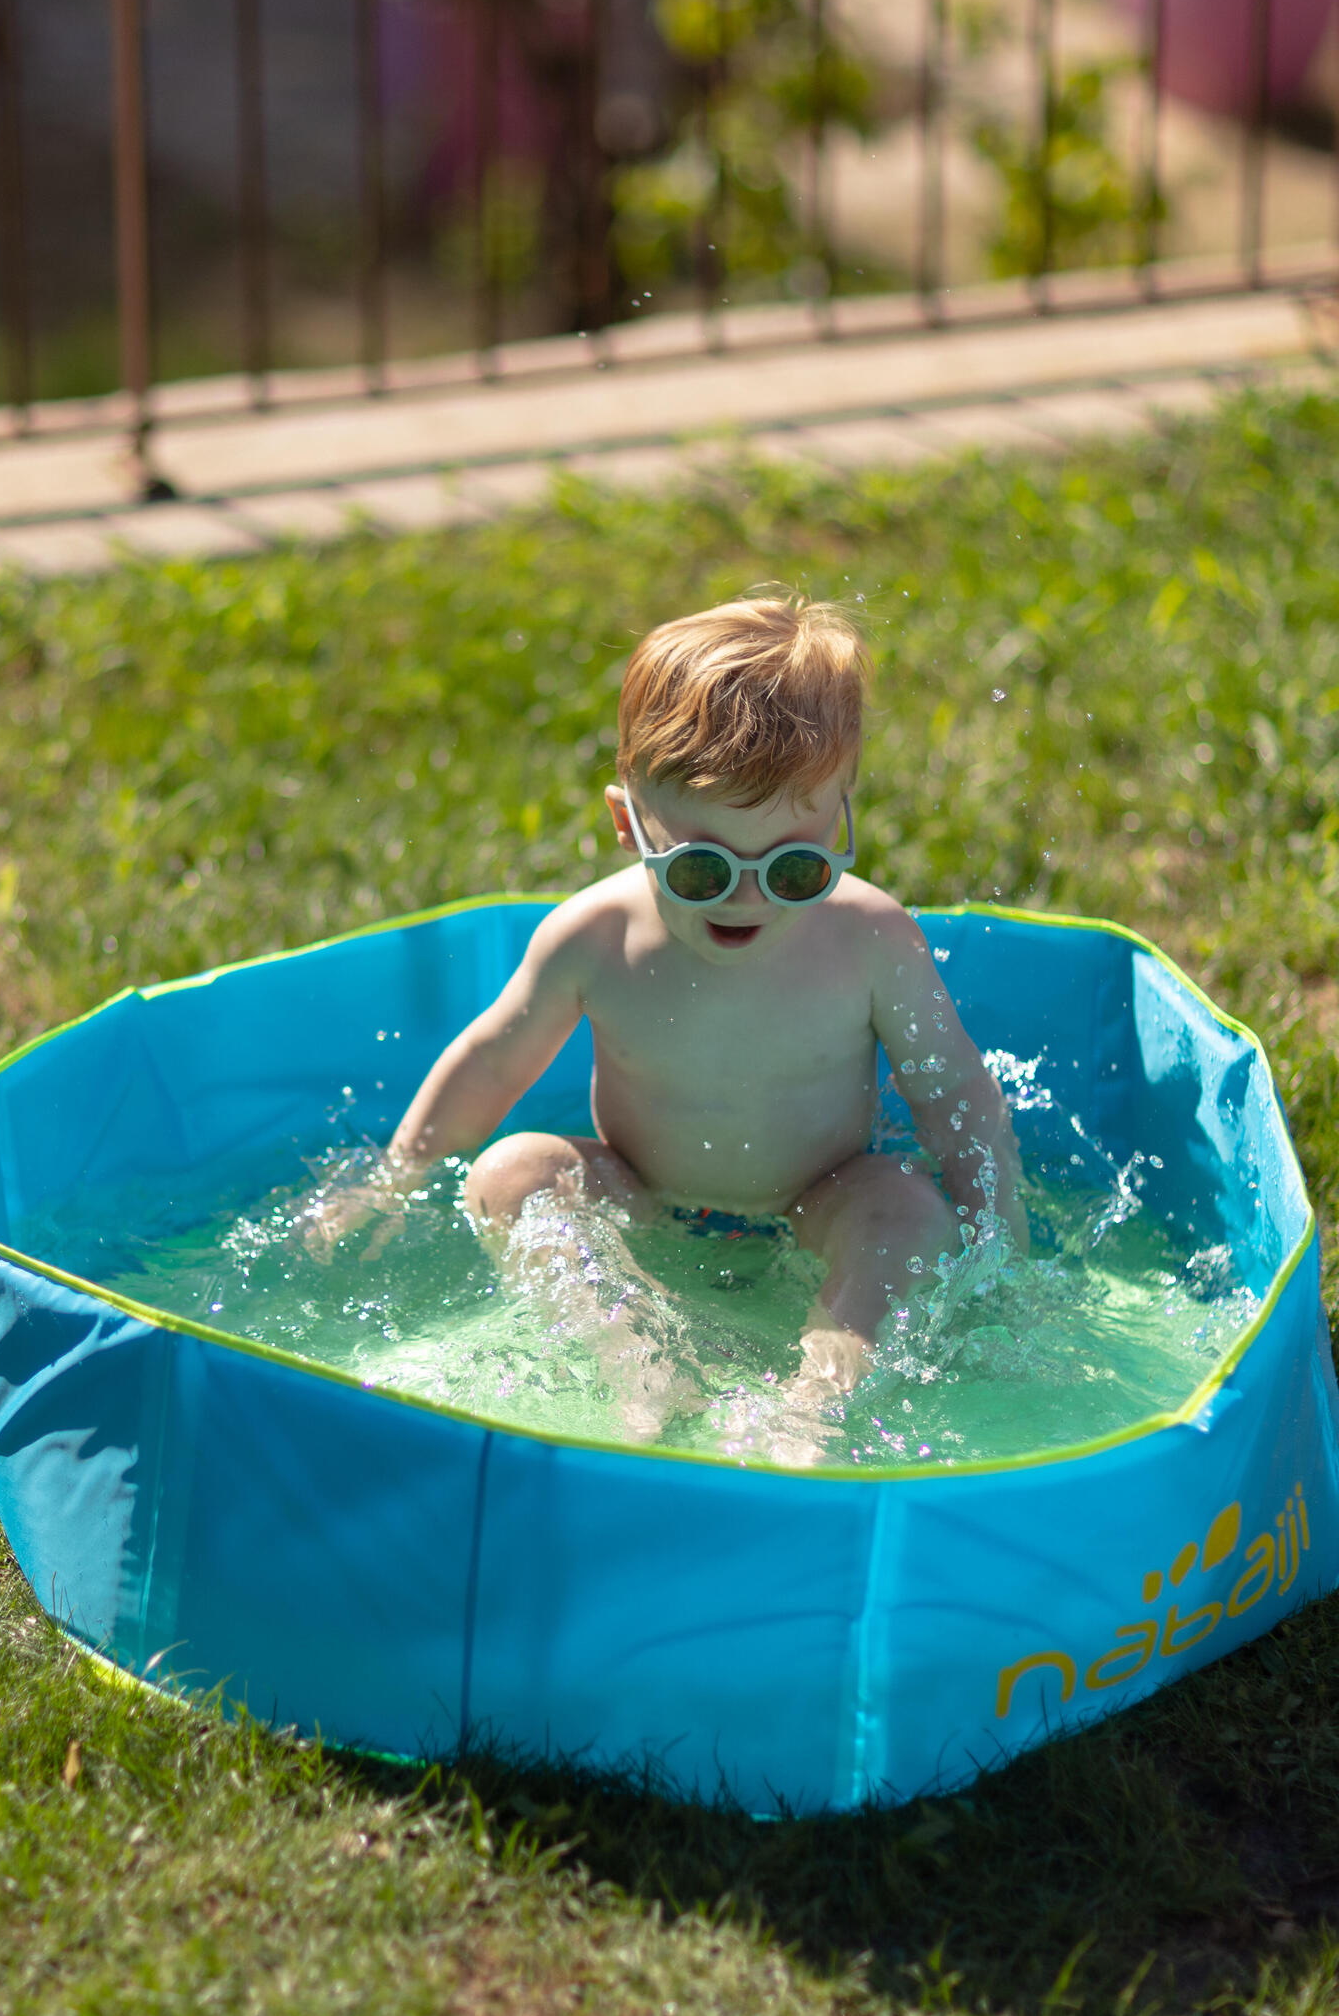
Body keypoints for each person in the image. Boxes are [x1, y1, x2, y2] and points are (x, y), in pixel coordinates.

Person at [309, 591, 1025, 1447]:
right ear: (627, 823)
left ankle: (814, 1403)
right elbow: (496, 1060)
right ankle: (639, 1365)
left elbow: (955, 1096)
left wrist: (1000, 1234)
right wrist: (392, 1179)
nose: (750, 896)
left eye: (795, 868)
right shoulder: (596, 935)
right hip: (636, 1192)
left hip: (822, 1195)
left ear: (841, 820)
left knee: (907, 1213)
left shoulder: (867, 938)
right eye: (702, 871)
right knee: (510, 1174)